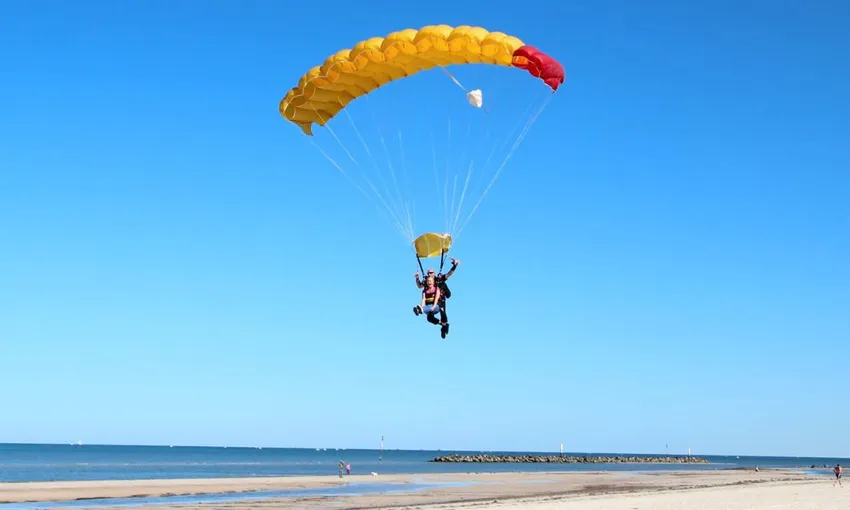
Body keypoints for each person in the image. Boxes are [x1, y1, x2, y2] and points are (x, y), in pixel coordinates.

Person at [414, 258, 460, 338]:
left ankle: (444, 329)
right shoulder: (426, 281)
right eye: (428, 273)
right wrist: (417, 278)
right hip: (430, 302)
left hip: (440, 301)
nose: (429, 274)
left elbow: (449, 274)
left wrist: (455, 265)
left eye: (431, 272)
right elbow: (419, 286)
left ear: (434, 273)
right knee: (429, 318)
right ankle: (443, 324)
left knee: (443, 315)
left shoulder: (438, 279)